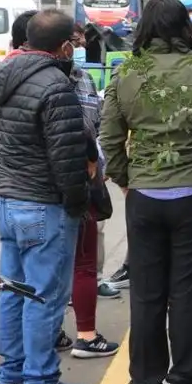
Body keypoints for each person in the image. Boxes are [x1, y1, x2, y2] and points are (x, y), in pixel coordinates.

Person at [100, 0, 192, 384]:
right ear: (184, 27)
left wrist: (125, 179)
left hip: (145, 196)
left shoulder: (126, 72)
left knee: (147, 295)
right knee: (190, 294)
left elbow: (110, 137)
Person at [0, 9, 91, 384]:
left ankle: (11, 371)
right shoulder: (56, 86)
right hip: (43, 204)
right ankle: (40, 379)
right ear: (63, 47)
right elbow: (67, 158)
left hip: (7, 198)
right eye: (73, 44)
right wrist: (78, 204)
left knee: (13, 290)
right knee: (44, 295)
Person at [54, 27, 122, 360]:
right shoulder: (71, 81)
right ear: (65, 46)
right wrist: (96, 162)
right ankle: (84, 335)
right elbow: (88, 129)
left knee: (40, 268)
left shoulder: (6, 76)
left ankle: (39, 343)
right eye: (74, 41)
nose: (79, 45)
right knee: (82, 262)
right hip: (76, 181)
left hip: (28, 188)